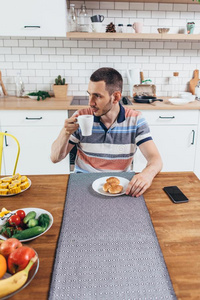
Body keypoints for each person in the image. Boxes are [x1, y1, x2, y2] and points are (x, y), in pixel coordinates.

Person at [51, 67, 162, 197]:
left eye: (97, 96)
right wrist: (65, 133)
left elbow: (156, 159)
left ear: (115, 97)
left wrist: (147, 174)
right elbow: (55, 158)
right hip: (82, 183)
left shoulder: (135, 120)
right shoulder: (81, 117)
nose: (90, 102)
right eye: (89, 94)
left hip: (119, 185)